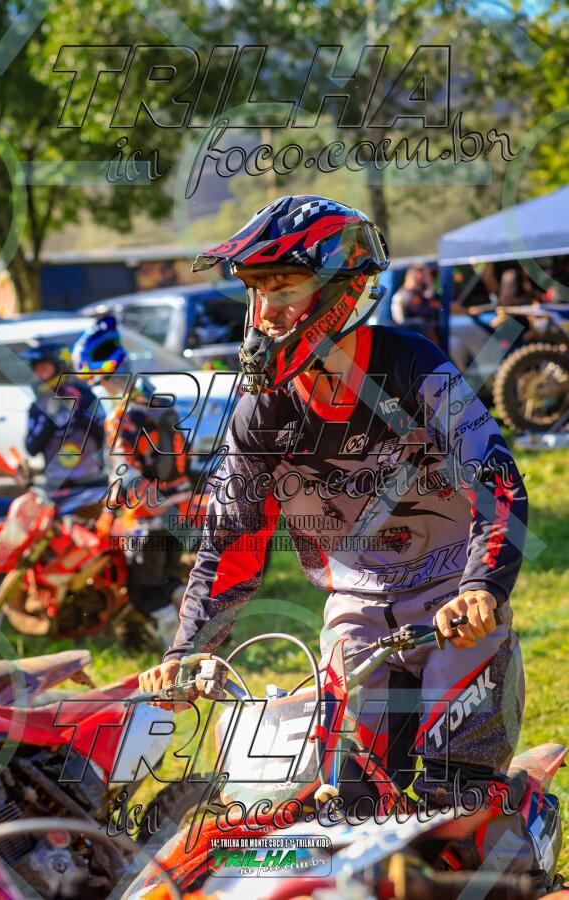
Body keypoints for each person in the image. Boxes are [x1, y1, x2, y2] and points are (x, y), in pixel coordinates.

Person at [139, 196, 537, 878]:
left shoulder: (414, 368)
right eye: (256, 291)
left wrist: (481, 587)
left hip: (453, 603)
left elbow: (496, 479)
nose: (264, 313)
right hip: (355, 613)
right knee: (345, 810)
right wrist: (188, 651)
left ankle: (521, 859)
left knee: (458, 807)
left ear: (341, 292)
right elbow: (231, 542)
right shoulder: (260, 413)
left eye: (283, 289)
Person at [71, 316, 192, 644]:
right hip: (177, 512)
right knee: (170, 580)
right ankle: (203, 632)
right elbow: (184, 459)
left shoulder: (120, 418)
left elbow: (125, 475)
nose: (100, 390)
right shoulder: (162, 406)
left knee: (145, 591)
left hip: (146, 518)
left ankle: (178, 654)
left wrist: (108, 513)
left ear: (107, 379)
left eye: (99, 383)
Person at [21, 341, 105, 489]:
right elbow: (31, 448)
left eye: (44, 369)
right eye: (37, 370)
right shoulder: (38, 407)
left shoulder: (85, 397)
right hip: (56, 485)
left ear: (60, 367)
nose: (40, 375)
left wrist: (78, 413)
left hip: (91, 482)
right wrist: (49, 418)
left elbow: (105, 435)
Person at [391, 263, 441, 343]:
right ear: (418, 275)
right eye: (428, 274)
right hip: (408, 331)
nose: (430, 277)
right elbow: (427, 311)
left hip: (412, 330)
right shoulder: (408, 294)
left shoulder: (416, 292)